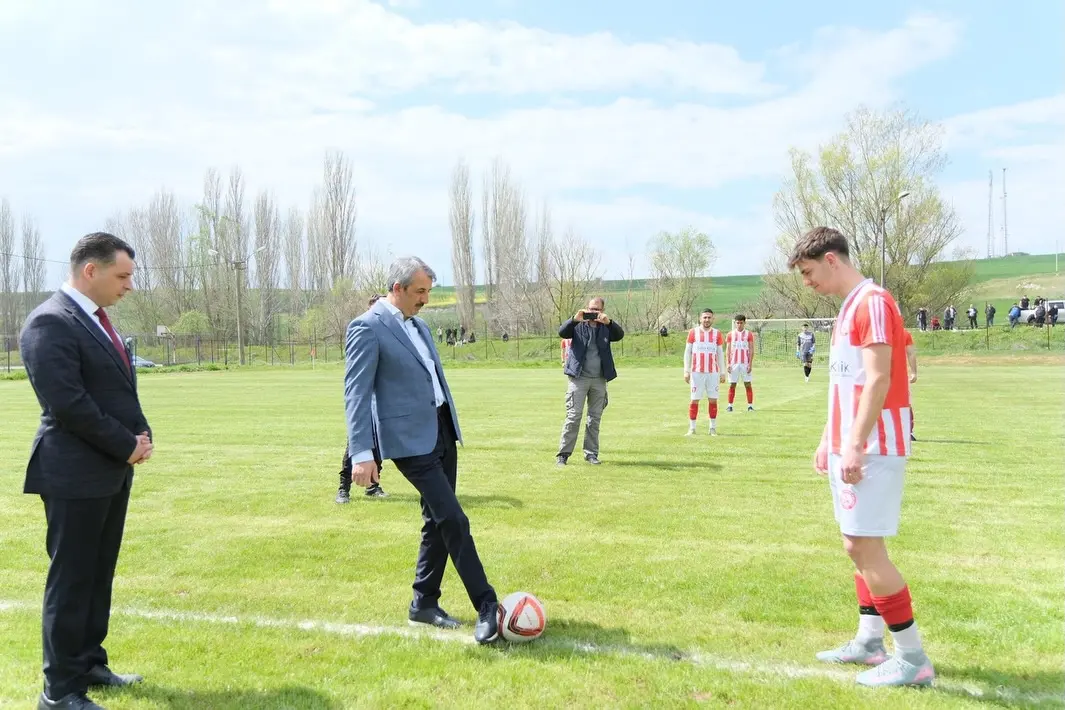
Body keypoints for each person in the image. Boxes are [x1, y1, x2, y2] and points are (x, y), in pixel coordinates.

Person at [788, 226, 934, 688]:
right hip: (849, 442)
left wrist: (853, 444)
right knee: (856, 544)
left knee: (865, 546)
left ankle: (912, 659)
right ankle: (870, 642)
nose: (807, 282)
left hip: (873, 446)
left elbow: (877, 379)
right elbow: (844, 384)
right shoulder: (849, 307)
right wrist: (827, 438)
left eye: (808, 272)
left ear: (831, 259)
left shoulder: (872, 302)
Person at [20, 232, 152, 710]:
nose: (129, 285)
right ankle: (58, 691)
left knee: (98, 575)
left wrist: (141, 432)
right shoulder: (50, 322)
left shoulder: (97, 321)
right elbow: (68, 404)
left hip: (109, 471)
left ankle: (89, 664)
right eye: (123, 276)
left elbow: (117, 391)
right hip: (72, 473)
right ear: (90, 270)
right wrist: (125, 444)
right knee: (72, 580)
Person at [343, 256, 500, 644]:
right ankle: (487, 605)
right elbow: (356, 395)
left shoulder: (419, 325)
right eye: (420, 291)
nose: (426, 299)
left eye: (428, 291)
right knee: (454, 519)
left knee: (436, 520)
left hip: (442, 430)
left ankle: (424, 603)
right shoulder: (366, 328)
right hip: (409, 442)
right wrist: (362, 453)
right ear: (397, 288)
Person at [556, 297, 625, 466]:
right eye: (591, 309)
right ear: (586, 308)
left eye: (597, 310)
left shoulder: (606, 328)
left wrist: (609, 322)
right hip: (579, 378)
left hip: (599, 379)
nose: (593, 313)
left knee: (594, 419)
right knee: (573, 416)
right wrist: (574, 319)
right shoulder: (578, 325)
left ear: (602, 310)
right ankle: (563, 454)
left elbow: (619, 335)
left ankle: (591, 454)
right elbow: (562, 332)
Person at [336, 295, 390, 503]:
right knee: (356, 445)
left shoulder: (387, 335)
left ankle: (373, 486)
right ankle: (343, 489)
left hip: (382, 404)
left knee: (378, 447)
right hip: (364, 404)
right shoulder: (363, 330)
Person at [683, 308, 725, 436]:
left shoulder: (717, 334)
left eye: (709, 317)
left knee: (713, 400)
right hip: (697, 372)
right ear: (700, 319)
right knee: (694, 400)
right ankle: (692, 428)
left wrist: (723, 372)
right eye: (704, 317)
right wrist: (686, 371)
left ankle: (712, 428)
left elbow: (720, 354)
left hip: (713, 373)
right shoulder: (693, 332)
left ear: (713, 319)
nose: (707, 320)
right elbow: (687, 353)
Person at [724, 315, 756, 412]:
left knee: (747, 384)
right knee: (732, 384)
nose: (739, 324)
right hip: (733, 364)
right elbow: (728, 350)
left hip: (745, 363)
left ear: (744, 323)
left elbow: (751, 350)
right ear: (735, 323)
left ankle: (750, 406)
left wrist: (750, 364)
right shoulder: (730, 334)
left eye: (741, 323)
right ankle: (730, 406)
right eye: (737, 323)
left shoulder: (749, 334)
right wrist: (728, 364)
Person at [904, 329, 918, 442]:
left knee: (905, 403)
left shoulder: (904, 333)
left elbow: (911, 353)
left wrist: (914, 372)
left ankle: (908, 431)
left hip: (899, 375)